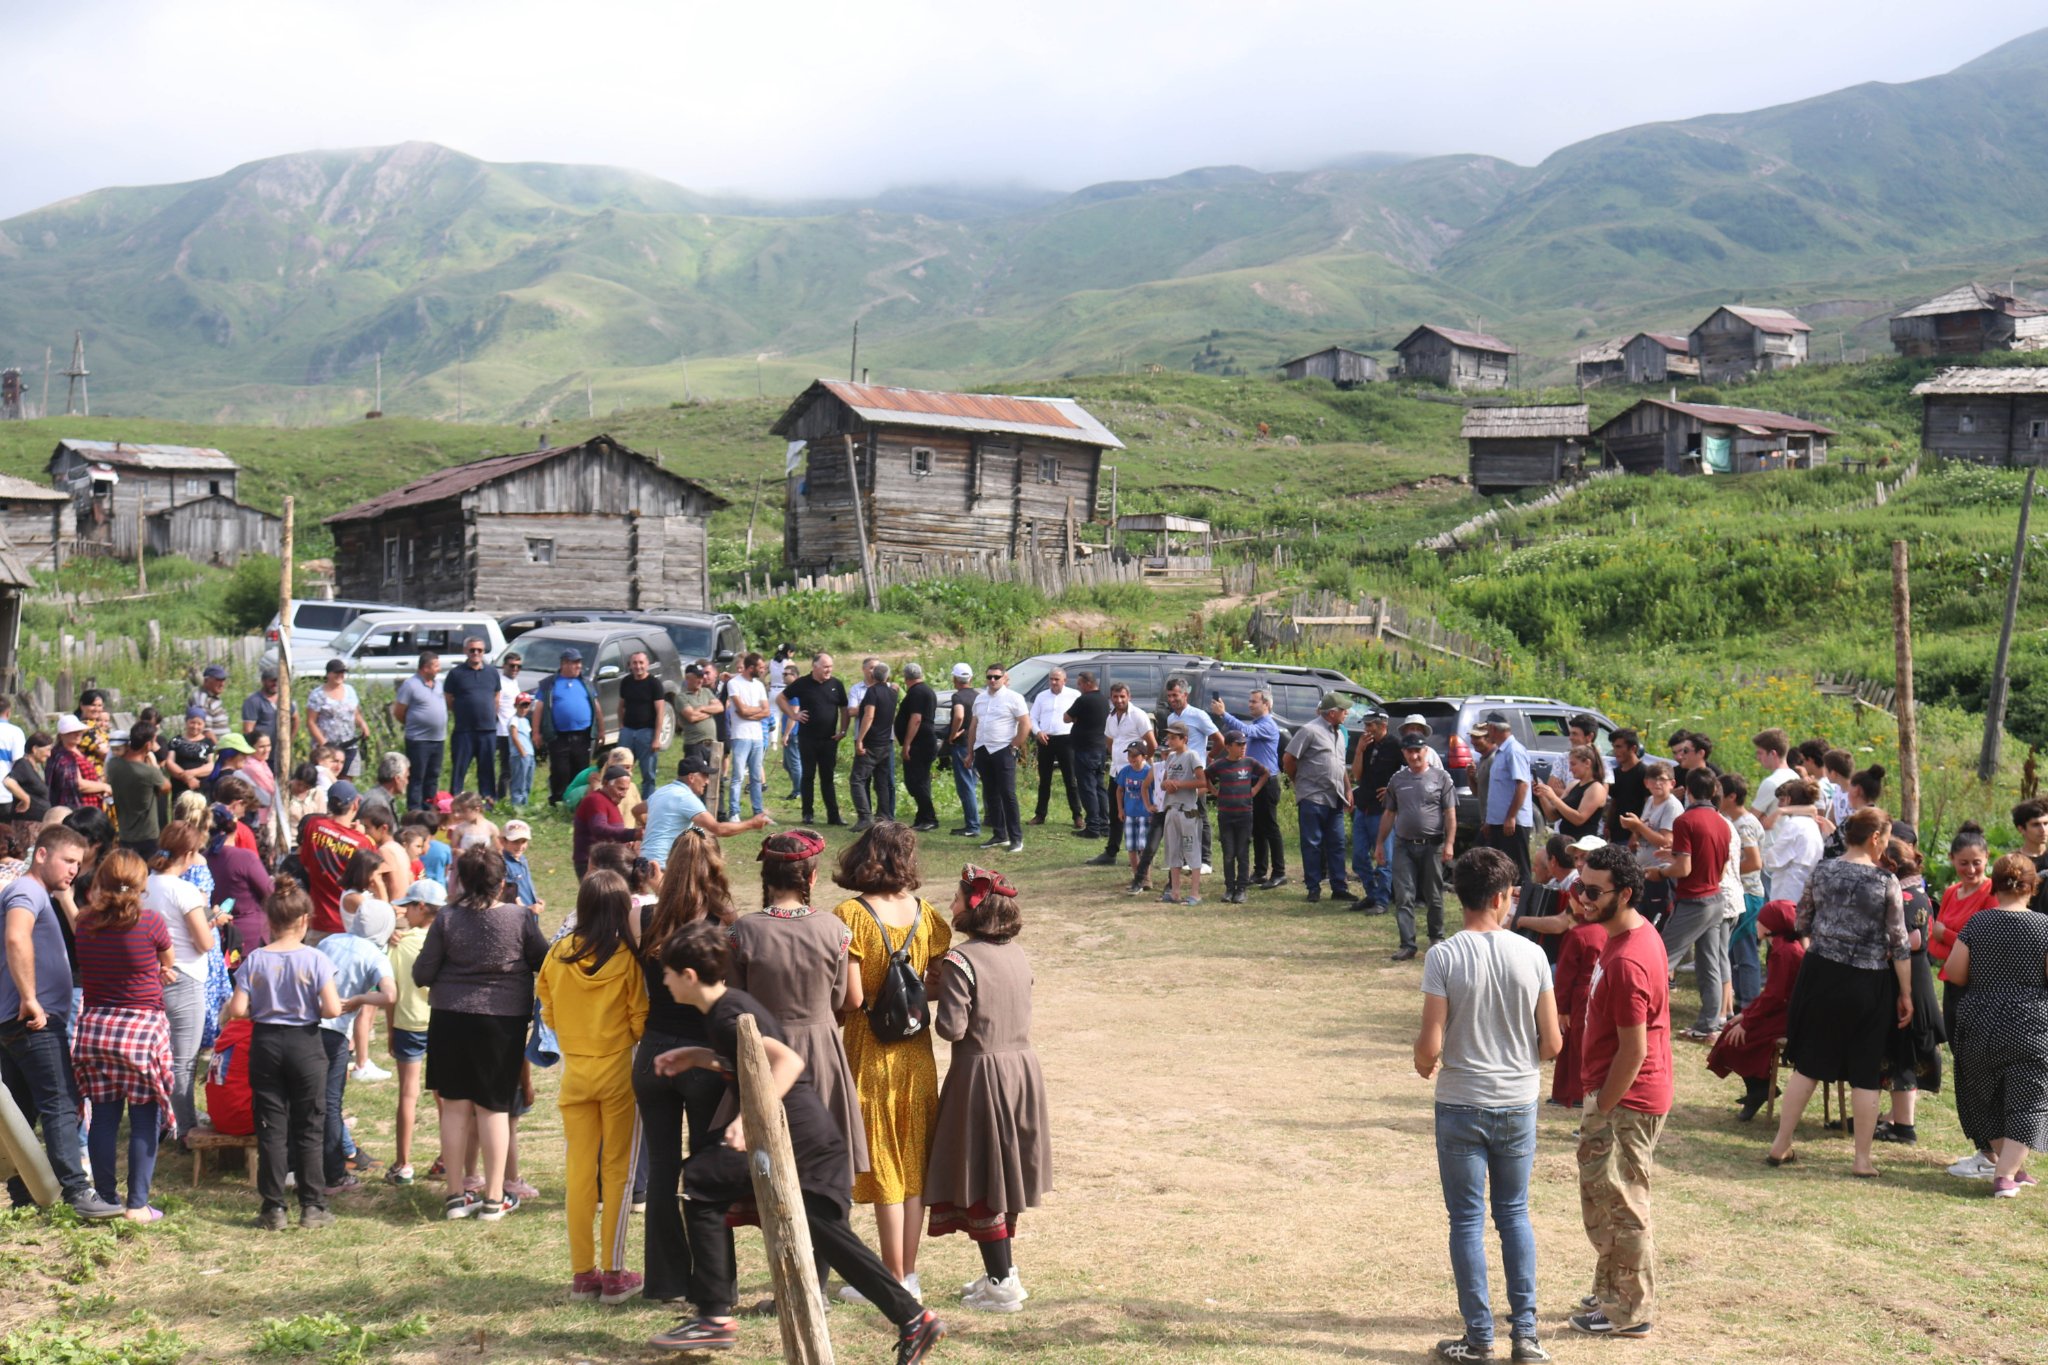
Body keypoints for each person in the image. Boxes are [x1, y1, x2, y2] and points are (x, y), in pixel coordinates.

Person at [644, 921, 947, 1362]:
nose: (665, 981)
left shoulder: (727, 1014)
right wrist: (698, 1058)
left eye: (668, 973)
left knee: (703, 1180)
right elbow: (747, 1059)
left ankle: (713, 1315)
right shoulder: (727, 1009)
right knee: (827, 1236)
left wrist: (749, 1122)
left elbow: (786, 1061)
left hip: (803, 1143)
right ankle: (913, 1318)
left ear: (689, 976)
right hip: (806, 1139)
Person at [1413, 847, 1561, 1364]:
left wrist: (1425, 1061)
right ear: (1501, 898)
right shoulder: (1534, 954)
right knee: (1515, 1215)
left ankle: (1479, 1337)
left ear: (1461, 896)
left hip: (1460, 1101)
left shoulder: (1444, 955)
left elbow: (1430, 1045)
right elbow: (1554, 1042)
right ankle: (1526, 1334)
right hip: (1517, 1100)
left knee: (1467, 1221)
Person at [832, 822, 952, 1302]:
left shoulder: (851, 915)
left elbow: (854, 997)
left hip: (869, 1048)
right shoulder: (927, 914)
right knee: (913, 1164)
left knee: (883, 1162)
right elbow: (938, 986)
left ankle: (890, 1279)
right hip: (916, 1050)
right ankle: (910, 1274)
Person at [925, 864, 1052, 1315]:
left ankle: (1001, 1284)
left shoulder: (962, 959)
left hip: (980, 1075)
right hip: (1020, 1069)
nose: (952, 905)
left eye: (957, 898)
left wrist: (927, 995)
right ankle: (1003, 1272)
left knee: (982, 1173)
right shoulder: (1018, 955)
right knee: (1003, 1172)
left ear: (976, 906)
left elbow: (953, 1029)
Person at [1765, 808, 1912, 1177]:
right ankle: (1862, 1159)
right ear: (1876, 838)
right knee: (1865, 1071)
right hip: (1868, 979)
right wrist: (1905, 992)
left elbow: (1802, 922)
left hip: (1820, 974)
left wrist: (1824, 947)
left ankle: (1781, 1143)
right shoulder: (1885, 881)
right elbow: (1900, 943)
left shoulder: (1822, 870)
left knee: (1809, 1065)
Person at [414, 844, 549, 1222]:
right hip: (500, 1023)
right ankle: (493, 1197)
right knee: (494, 1108)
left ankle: (455, 1195)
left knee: (454, 1106)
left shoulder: (446, 919)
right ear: (502, 880)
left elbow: (422, 973)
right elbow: (544, 959)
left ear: (461, 880)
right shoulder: (519, 918)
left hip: (450, 1017)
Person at [1568, 844, 1671, 1340]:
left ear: (1624, 893)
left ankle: (1628, 1312)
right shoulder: (1627, 933)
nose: (1582, 897)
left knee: (1624, 1204)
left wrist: (1602, 1106)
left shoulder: (1630, 958)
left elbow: (1632, 1051)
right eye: (1579, 885)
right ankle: (1613, 1286)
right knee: (1605, 1198)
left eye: (1592, 891)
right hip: (1618, 1096)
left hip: (1626, 1100)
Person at [634, 830, 738, 1305]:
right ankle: (713, 1284)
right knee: (706, 1171)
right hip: (702, 1056)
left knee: (660, 1171)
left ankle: (664, 1282)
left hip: (654, 1051)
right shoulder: (724, 923)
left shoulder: (645, 917)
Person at [0, 825, 123, 1217]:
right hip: (33, 1022)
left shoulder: (41, 894)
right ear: (41, 854)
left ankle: (22, 1190)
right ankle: (77, 1192)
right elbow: (16, 938)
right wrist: (31, 1000)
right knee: (61, 1104)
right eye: (68, 860)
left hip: (18, 1021)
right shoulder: (26, 891)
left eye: (79, 863)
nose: (74, 869)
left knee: (23, 1110)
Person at [539, 868, 649, 1302]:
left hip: (576, 1071)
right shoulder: (626, 958)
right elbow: (640, 1018)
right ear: (623, 909)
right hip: (619, 1070)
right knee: (617, 1174)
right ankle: (615, 1271)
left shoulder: (558, 952)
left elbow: (545, 1005)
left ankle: (583, 1273)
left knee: (579, 1174)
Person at [731, 830, 868, 1178]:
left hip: (764, 1053)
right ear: (812, 876)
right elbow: (839, 999)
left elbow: (735, 999)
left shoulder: (743, 932)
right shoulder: (835, 929)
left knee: (769, 1163)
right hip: (822, 1052)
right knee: (817, 1166)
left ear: (767, 877)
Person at [224, 878, 345, 1230]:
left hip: (266, 1044)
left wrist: (266, 1008)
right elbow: (334, 1009)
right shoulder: (316, 958)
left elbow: (237, 1010)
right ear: (305, 920)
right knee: (309, 1125)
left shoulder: (256, 959)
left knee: (271, 1127)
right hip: (305, 1044)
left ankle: (273, 1207)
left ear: (269, 922)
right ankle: (313, 1205)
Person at [71, 848, 177, 1223]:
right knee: (144, 1119)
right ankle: (137, 1204)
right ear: (141, 883)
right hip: (140, 1029)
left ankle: (103, 1197)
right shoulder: (150, 922)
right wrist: (160, 972)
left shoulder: (84, 922)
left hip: (96, 1027)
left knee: (103, 1118)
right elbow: (168, 962)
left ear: (100, 880)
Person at [1944, 854, 2048, 1199]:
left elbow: (1956, 973)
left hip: (1980, 1020)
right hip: (2030, 1023)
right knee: (2029, 1099)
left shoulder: (1977, 923)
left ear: (1996, 884)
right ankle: (2005, 1176)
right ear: (2032, 887)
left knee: (1985, 1098)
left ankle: (2013, 1168)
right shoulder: (2043, 927)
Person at [317, 881, 396, 1192]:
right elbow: (390, 995)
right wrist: (362, 999)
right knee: (330, 1103)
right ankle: (335, 1174)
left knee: (307, 1100)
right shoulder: (376, 955)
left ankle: (297, 1166)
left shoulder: (329, 940)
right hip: (335, 1034)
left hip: (308, 1027)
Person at [142, 823, 219, 1138]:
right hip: (186, 977)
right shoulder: (184, 890)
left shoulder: (145, 885)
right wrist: (213, 922)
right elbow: (204, 943)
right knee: (183, 1060)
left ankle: (163, 1118)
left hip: (153, 975)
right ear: (188, 853)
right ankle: (185, 1128)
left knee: (158, 1056)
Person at [1930, 823, 1997, 1179]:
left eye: (1977, 863)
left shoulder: (1991, 894)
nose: (1971, 870)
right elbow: (1934, 944)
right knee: (1963, 1064)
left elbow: (1983, 944)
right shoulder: (1953, 891)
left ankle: (1990, 1148)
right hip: (1952, 985)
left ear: (1987, 860)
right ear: (1953, 861)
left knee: (1978, 1065)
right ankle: (1984, 1146)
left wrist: (1950, 937)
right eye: (1964, 863)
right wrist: (1952, 942)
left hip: (1978, 987)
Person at [1649, 769, 1733, 1042]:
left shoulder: (1685, 820)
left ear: (1687, 791)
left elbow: (1684, 868)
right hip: (1717, 898)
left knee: (1659, 959)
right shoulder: (1721, 822)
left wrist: (1660, 871)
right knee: (1710, 964)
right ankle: (1709, 1025)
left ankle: (1645, 1017)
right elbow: (1716, 867)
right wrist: (1672, 856)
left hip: (1694, 901)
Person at [1706, 901, 1807, 1121]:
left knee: (1738, 1037)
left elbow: (1775, 996)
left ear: (1770, 925)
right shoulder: (1781, 947)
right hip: (1781, 1011)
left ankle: (1758, 1088)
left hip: (1786, 1018)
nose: (1756, 924)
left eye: (1760, 920)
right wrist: (1746, 1014)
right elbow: (1771, 993)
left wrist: (1749, 1021)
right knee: (1731, 1030)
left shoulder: (1785, 952)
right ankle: (1756, 1088)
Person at [1875, 836, 1943, 1146]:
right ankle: (1897, 1118)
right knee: (1902, 1051)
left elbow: (1915, 940)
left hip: (1910, 983)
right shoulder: (1917, 890)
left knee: (1902, 1053)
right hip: (1913, 981)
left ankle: (1904, 1126)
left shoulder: (1907, 896)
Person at [384, 878, 442, 1186]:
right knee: (443, 1094)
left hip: (407, 1024)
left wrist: (391, 1029)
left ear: (421, 907)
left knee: (408, 1094)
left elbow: (390, 991)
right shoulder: (448, 939)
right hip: (442, 1024)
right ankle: (447, 1158)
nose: (405, 911)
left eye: (409, 906)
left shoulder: (402, 943)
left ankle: (403, 1164)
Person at [1385, 727, 1458, 961]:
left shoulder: (1441, 778)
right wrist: (1379, 844)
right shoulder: (1397, 780)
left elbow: (1450, 813)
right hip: (1403, 845)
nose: (1414, 756)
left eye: (1418, 751)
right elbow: (1389, 813)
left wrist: (1450, 843)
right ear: (1404, 753)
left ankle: (1437, 937)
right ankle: (1407, 944)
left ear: (1426, 751)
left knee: (1433, 893)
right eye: (1409, 752)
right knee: (1403, 895)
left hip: (1432, 845)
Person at [1283, 692, 1353, 906]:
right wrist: (1298, 781)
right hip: (1312, 797)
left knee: (1337, 843)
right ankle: (1313, 888)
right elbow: (1288, 759)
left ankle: (1339, 887)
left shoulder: (1340, 734)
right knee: (1312, 843)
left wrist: (1349, 790)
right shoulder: (1309, 730)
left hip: (1336, 797)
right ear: (1331, 713)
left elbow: (1340, 767)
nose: (1346, 713)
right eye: (1343, 710)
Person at [1549, 878, 1606, 1108]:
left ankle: (1575, 1092)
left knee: (1574, 1043)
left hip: (1579, 995)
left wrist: (1561, 1008)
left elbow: (1564, 977)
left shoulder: (1578, 934)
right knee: (1588, 1042)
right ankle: (1572, 1091)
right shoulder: (1605, 929)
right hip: (1599, 991)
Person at [1088, 683, 1155, 873]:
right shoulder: (1111, 717)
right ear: (1111, 698)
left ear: (1129, 696)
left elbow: (1152, 743)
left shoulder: (1138, 715)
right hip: (1118, 772)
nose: (1119, 700)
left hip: (1136, 774)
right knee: (1116, 813)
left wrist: (1144, 766)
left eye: (1122, 697)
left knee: (1138, 812)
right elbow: (1110, 741)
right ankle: (1111, 852)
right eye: (1115, 697)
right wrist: (1118, 757)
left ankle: (1140, 853)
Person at [300, 783, 376, 940]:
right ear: (355, 804)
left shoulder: (313, 825)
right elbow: (371, 882)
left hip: (317, 921)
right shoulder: (362, 842)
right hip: (349, 925)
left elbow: (306, 866)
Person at [968, 664, 1030, 855]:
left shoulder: (1014, 698)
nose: (992, 680)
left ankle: (1016, 838)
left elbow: (1025, 724)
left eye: (996, 677)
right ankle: (999, 833)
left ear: (1004, 678)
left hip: (1003, 749)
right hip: (983, 749)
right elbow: (973, 726)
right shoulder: (980, 698)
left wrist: (1014, 745)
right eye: (989, 677)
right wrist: (970, 752)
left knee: (1007, 794)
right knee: (990, 793)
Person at [785, 654, 850, 827]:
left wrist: (843, 730)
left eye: (830, 666)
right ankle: (807, 813)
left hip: (829, 739)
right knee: (808, 776)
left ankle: (833, 816)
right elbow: (781, 698)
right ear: (815, 666)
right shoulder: (802, 683)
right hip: (807, 738)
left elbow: (844, 708)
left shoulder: (836, 684)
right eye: (825, 666)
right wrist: (793, 714)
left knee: (827, 778)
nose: (829, 669)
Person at [1205, 730, 1269, 905]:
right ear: (1228, 746)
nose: (1242, 748)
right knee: (1228, 853)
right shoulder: (1220, 765)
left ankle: (1241, 889)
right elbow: (1205, 775)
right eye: (1238, 745)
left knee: (1242, 852)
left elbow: (1265, 773)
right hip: (1226, 815)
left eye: (1244, 744)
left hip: (1244, 814)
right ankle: (1229, 888)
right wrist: (1214, 791)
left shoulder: (1249, 763)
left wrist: (1254, 790)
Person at [1346, 710, 1401, 912]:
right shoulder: (1366, 744)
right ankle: (1372, 894)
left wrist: (1392, 789)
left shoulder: (1395, 745)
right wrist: (1359, 751)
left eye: (1371, 725)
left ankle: (1382, 901)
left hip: (1383, 810)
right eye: (1366, 725)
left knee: (1383, 858)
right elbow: (1357, 775)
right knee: (1359, 857)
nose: (1367, 729)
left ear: (1383, 725)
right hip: (1364, 807)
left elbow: (1408, 772)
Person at [537, 649, 604, 808]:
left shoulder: (585, 683)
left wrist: (601, 730)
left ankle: (580, 803)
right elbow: (539, 707)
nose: (579, 666)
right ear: (564, 663)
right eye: (575, 662)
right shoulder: (550, 684)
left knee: (581, 771)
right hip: (558, 736)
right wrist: (537, 732)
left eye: (579, 662)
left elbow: (596, 706)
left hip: (583, 736)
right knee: (560, 771)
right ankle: (558, 802)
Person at [1477, 713, 1533, 890]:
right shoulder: (1501, 752)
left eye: (1487, 730)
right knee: (1501, 870)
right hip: (1498, 823)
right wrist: (1490, 821)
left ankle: (1525, 912)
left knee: (1518, 871)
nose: (1487, 734)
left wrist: (1511, 817)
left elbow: (1522, 785)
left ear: (1493, 728)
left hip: (1512, 824)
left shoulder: (1514, 751)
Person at [444, 637, 503, 803]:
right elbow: (449, 699)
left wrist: (491, 713)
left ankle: (488, 800)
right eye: (472, 650)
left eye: (479, 650)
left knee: (487, 769)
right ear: (465, 651)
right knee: (459, 769)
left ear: (483, 652)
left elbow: (496, 695)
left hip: (488, 730)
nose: (476, 653)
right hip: (464, 730)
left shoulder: (492, 672)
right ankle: (454, 801)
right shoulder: (456, 674)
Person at [107, 721, 172, 859]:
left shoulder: (113, 765)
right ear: (148, 745)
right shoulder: (148, 772)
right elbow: (166, 787)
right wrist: (153, 764)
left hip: (125, 833)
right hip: (147, 836)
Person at [393, 652, 448, 811]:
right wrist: (413, 724)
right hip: (418, 740)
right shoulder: (410, 685)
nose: (439, 669)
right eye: (436, 665)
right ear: (425, 667)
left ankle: (428, 809)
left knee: (433, 776)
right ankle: (415, 811)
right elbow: (399, 711)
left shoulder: (438, 684)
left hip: (438, 739)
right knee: (417, 777)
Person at [1027, 668, 1079, 830]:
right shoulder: (1042, 696)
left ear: (1064, 680)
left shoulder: (1074, 695)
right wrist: (1038, 732)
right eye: (1051, 679)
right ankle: (1040, 814)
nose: (1054, 682)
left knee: (1070, 779)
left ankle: (1077, 815)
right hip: (1046, 740)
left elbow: (1080, 717)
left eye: (1057, 679)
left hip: (1066, 739)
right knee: (1044, 779)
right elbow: (1033, 718)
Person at [851, 661, 900, 830]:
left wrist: (860, 739)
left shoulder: (872, 692)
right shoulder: (893, 693)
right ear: (887, 676)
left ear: (873, 675)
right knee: (882, 781)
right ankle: (884, 816)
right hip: (886, 743)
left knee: (857, 779)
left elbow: (869, 716)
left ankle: (865, 817)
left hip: (871, 743)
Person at [724, 654, 772, 819]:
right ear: (751, 668)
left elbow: (766, 711)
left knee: (756, 777)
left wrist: (749, 712)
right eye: (761, 667)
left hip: (757, 736)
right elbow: (740, 710)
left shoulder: (759, 685)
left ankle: (758, 812)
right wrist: (755, 710)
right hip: (741, 736)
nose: (763, 670)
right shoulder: (734, 683)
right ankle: (734, 812)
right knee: (737, 776)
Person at [614, 650, 668, 798]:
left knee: (648, 772)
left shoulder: (654, 684)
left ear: (647, 664)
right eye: (635, 663)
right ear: (630, 665)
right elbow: (621, 706)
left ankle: (647, 804)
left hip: (647, 733)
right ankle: (622, 800)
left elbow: (660, 712)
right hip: (628, 731)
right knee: (620, 769)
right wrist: (621, 727)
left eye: (641, 663)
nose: (638, 666)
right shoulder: (626, 682)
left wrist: (657, 738)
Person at [896, 662, 942, 832]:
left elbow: (916, 719)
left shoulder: (916, 693)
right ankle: (922, 816)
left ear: (906, 677)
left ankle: (929, 817)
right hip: (925, 741)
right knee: (919, 781)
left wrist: (907, 743)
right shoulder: (927, 690)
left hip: (920, 743)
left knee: (916, 781)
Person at [573, 767, 642, 879]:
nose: (623, 794)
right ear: (605, 783)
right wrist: (633, 834)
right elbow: (599, 829)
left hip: (606, 862)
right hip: (593, 863)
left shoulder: (609, 803)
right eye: (620, 789)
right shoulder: (596, 800)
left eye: (626, 790)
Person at [305, 659, 368, 780]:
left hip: (349, 744)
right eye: (337, 673)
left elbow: (355, 712)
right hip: (328, 746)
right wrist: (324, 744)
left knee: (347, 780)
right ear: (328, 674)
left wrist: (363, 725)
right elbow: (311, 722)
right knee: (326, 779)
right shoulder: (317, 694)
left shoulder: (350, 690)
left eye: (342, 673)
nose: (340, 676)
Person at [1536, 745, 1608, 847]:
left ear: (1587, 763)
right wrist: (1541, 795)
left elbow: (1579, 819)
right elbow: (1553, 816)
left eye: (1573, 764)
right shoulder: (1573, 785)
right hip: (1566, 843)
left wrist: (1553, 798)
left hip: (1583, 845)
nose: (1570, 769)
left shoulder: (1596, 788)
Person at [1114, 741, 1157, 895]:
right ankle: (1136, 877)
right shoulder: (1125, 771)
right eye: (1129, 755)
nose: (1132, 758)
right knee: (1131, 847)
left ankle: (1146, 878)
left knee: (1144, 847)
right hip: (1130, 813)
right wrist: (1120, 809)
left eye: (1135, 755)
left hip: (1145, 814)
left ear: (1143, 756)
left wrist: (1153, 810)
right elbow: (1119, 790)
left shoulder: (1149, 771)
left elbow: (1156, 792)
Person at [944, 664, 980, 839]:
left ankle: (972, 825)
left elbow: (958, 715)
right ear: (971, 678)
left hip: (962, 745)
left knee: (966, 786)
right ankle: (975, 821)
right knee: (972, 782)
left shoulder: (958, 697)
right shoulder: (978, 696)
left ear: (955, 679)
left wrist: (953, 734)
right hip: (976, 742)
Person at [47, 714, 110, 813]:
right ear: (62, 735)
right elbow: (77, 784)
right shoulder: (63, 757)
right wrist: (105, 787)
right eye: (72, 732)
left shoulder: (78, 752)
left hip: (92, 805)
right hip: (77, 809)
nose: (78, 734)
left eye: (79, 731)